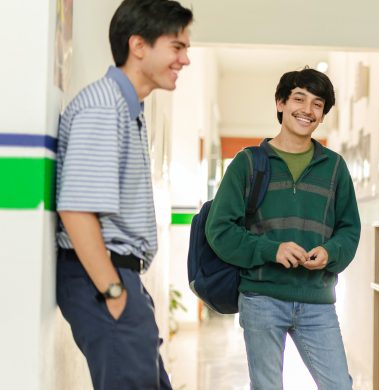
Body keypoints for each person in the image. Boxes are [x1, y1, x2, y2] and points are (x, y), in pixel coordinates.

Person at [55, 0, 192, 388]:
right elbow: (77, 210)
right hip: (101, 278)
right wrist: (113, 289)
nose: (185, 60)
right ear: (139, 46)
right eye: (177, 47)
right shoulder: (103, 106)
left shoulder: (127, 108)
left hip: (119, 277)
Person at [205, 67, 360, 390]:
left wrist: (330, 252)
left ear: (322, 115)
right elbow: (219, 230)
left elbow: (349, 229)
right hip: (261, 297)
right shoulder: (247, 163)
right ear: (280, 103)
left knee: (339, 385)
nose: (307, 110)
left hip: (317, 299)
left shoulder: (334, 167)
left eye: (317, 104)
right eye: (299, 99)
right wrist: (271, 249)